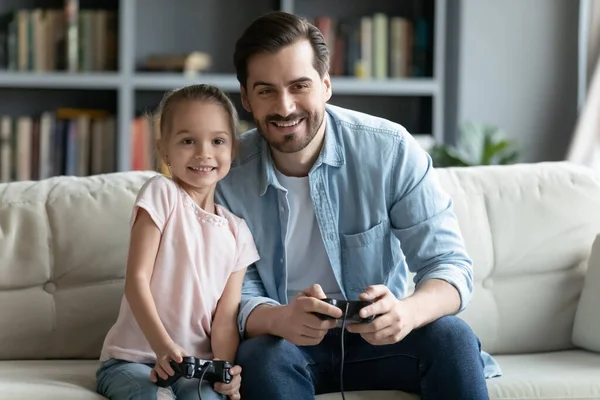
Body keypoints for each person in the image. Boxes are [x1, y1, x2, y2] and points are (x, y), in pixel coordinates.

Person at [214, 11, 501, 400]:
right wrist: (281, 318)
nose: (285, 107)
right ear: (246, 97)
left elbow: (449, 265)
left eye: (299, 85)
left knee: (452, 336)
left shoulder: (390, 150)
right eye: (266, 91)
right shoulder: (225, 173)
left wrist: (407, 313)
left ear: (326, 85)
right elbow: (234, 293)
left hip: (384, 340)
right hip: (287, 343)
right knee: (261, 357)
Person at [96, 84, 260, 400]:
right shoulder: (161, 194)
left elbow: (225, 320)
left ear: (232, 150)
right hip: (132, 360)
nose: (204, 153)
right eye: (187, 141)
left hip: (194, 369)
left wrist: (224, 370)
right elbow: (136, 281)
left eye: (217, 141)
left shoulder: (238, 232)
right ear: (164, 150)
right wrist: (163, 348)